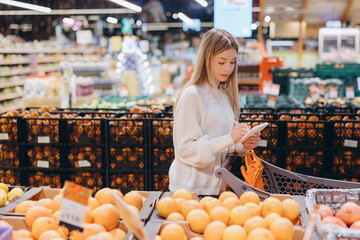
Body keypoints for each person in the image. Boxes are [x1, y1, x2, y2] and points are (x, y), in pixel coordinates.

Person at [169, 28, 261, 195]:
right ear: (206, 59)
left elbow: (221, 144)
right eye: (221, 62)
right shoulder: (192, 95)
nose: (228, 68)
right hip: (190, 191)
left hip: (216, 188)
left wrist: (241, 145)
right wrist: (229, 138)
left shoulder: (224, 94)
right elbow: (185, 149)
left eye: (233, 62)